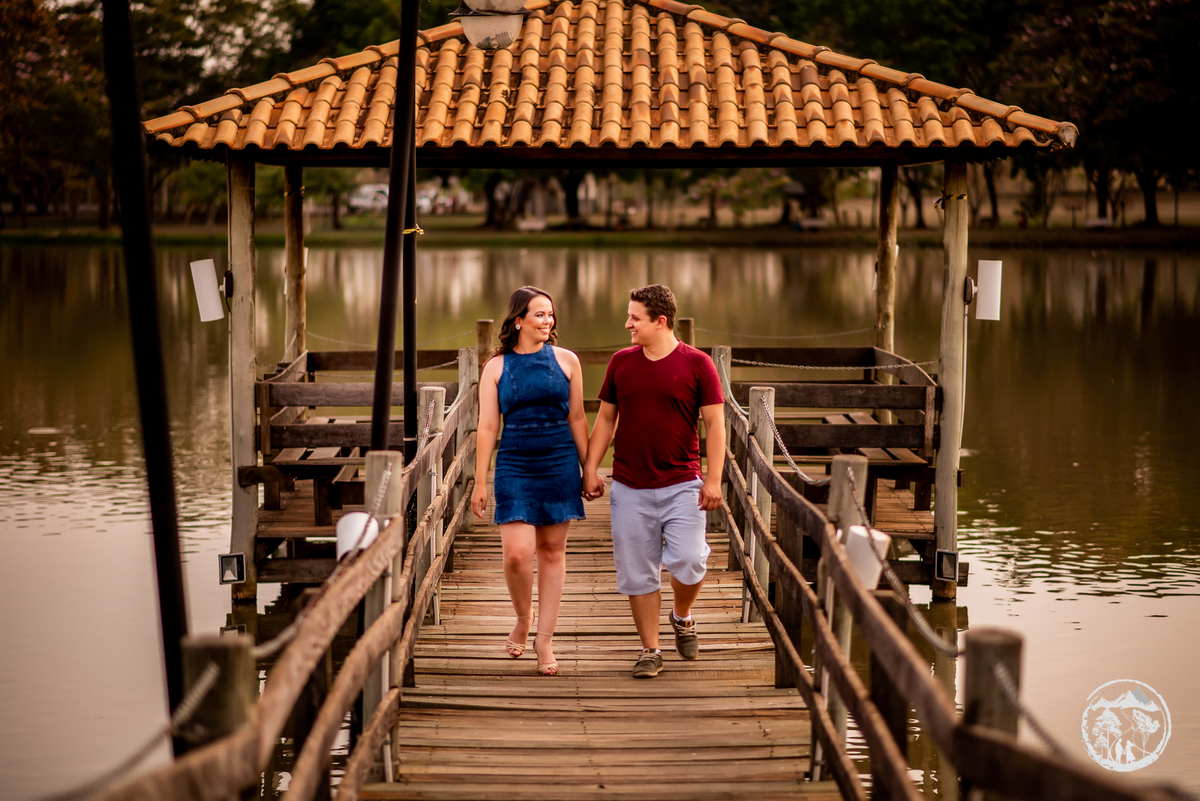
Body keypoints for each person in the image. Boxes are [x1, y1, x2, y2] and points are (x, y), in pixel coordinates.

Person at [583, 284, 726, 678]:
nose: (627, 324)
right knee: (638, 571)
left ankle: (681, 615)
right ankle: (651, 649)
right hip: (630, 486)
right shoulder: (621, 363)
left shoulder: (698, 364)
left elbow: (715, 425)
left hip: (683, 484)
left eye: (635, 318)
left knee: (690, 560)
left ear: (660, 321)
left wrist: (714, 479)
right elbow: (606, 419)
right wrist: (590, 468)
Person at [472, 286, 589, 676]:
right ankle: (524, 617)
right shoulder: (496, 367)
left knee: (552, 551)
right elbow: (488, 427)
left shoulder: (567, 361)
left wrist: (589, 468)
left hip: (559, 461)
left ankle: (544, 640)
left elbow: (577, 418)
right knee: (517, 555)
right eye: (540, 314)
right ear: (518, 320)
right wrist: (480, 481)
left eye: (551, 314)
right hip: (515, 463)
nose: (548, 321)